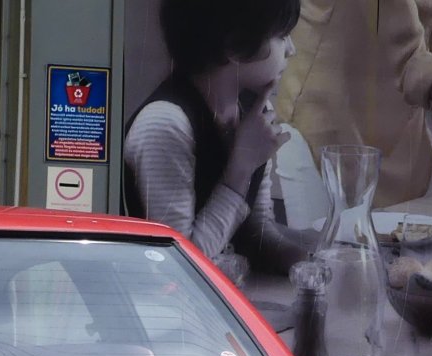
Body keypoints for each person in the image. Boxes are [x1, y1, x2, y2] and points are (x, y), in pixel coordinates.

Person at [124, 0, 314, 275]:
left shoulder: (253, 110)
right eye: (281, 36)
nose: (291, 50)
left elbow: (256, 234)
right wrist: (241, 168)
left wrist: (309, 260)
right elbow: (177, 265)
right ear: (235, 46)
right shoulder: (165, 123)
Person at [276, 0, 432, 206]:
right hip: (328, 129)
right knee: (334, 252)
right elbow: (413, 65)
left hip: (397, 140)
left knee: (396, 255)